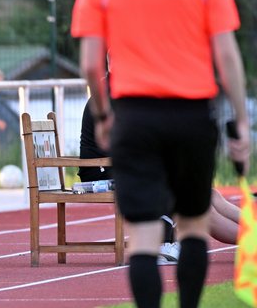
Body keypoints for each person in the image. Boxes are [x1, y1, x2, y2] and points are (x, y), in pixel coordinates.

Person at [72, 0, 250, 308]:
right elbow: (227, 55)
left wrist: (103, 115)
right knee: (192, 227)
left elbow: (90, 64)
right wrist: (241, 121)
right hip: (190, 114)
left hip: (133, 117)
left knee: (145, 235)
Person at [78, 98, 241, 261]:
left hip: (124, 166)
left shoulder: (129, 96)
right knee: (193, 200)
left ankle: (250, 229)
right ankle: (165, 243)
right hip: (102, 172)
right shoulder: (113, 98)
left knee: (210, 195)